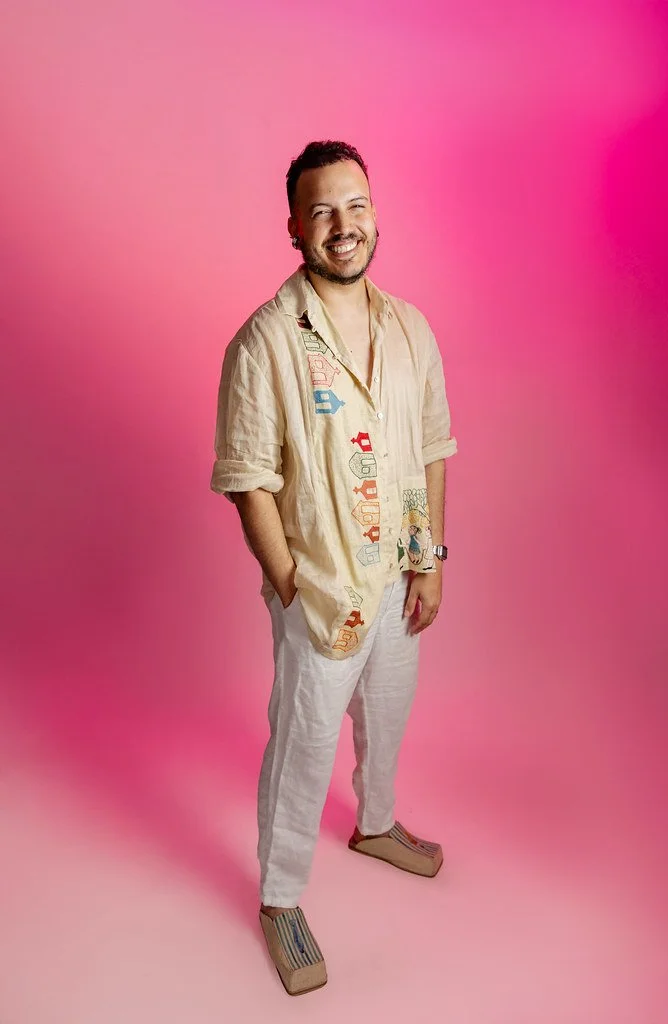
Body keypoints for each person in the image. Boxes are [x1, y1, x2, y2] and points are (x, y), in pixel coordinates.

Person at [211, 140, 457, 995]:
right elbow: (248, 481)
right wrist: (289, 584)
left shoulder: (410, 327)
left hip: (398, 576)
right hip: (319, 592)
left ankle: (375, 824)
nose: (341, 226)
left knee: (387, 712)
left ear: (375, 213)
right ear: (293, 228)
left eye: (354, 206)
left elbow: (430, 447)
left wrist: (429, 559)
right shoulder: (265, 342)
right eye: (321, 211)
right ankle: (279, 899)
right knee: (303, 745)